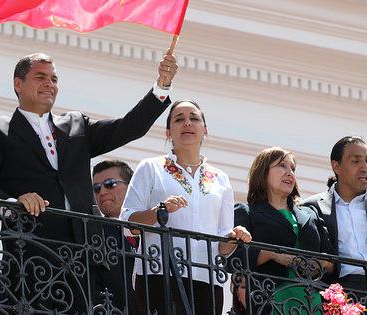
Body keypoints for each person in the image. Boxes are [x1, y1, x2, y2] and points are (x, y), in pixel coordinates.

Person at [0, 50, 177, 312]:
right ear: (18, 84)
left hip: (85, 257)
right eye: (40, 77)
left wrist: (161, 87)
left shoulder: (76, 124)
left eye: (54, 78)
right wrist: (12, 205)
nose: (49, 84)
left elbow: (128, 128)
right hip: (31, 254)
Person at [120, 99, 250, 315]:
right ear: (168, 132)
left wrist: (235, 237)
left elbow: (222, 246)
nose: (187, 123)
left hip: (207, 277)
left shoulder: (221, 179)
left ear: (205, 130)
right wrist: (157, 212)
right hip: (159, 272)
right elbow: (127, 223)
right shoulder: (151, 167)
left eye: (194, 118)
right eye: (179, 119)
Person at [233, 147, 334, 314]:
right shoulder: (247, 212)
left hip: (313, 301)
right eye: (282, 166)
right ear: (263, 172)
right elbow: (234, 258)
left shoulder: (311, 213)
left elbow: (332, 260)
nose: (290, 173)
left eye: (292, 168)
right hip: (270, 299)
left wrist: (315, 263)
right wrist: (271, 255)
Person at [301, 136, 367, 294]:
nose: (364, 167)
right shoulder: (312, 207)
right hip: (338, 293)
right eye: (356, 161)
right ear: (336, 166)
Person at [91, 160, 138, 313]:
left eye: (110, 184)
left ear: (131, 187)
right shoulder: (93, 230)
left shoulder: (154, 228)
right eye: (96, 188)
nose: (102, 192)